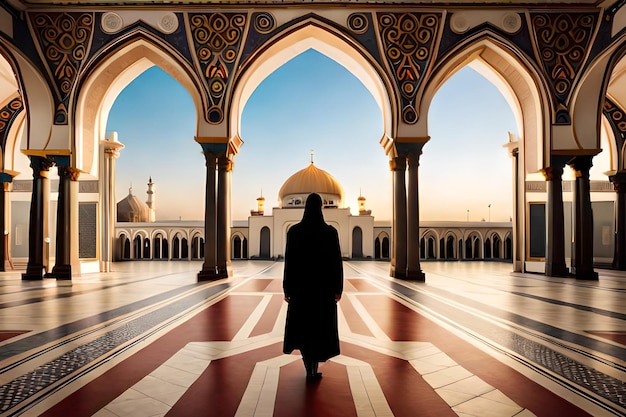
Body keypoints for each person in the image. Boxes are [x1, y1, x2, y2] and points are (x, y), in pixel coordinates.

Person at [283, 193, 343, 379]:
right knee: (318, 330)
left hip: (301, 292)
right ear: (320, 208)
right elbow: (336, 263)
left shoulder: (294, 232)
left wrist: (287, 289)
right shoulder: (330, 232)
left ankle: (309, 369)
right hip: (322, 292)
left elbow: (289, 263)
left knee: (304, 330)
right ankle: (313, 370)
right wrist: (337, 289)